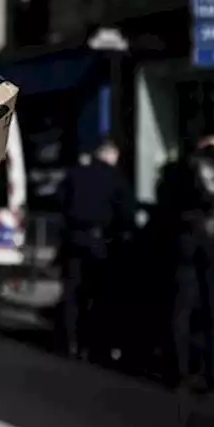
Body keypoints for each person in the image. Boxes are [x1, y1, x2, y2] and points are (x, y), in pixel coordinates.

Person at [159, 121, 214, 395]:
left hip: (186, 236)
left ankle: (180, 373)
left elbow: (166, 202)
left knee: (181, 308)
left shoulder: (180, 168)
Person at [57, 139, 132, 360]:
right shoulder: (117, 179)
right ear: (112, 156)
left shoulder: (76, 173)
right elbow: (126, 214)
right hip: (99, 242)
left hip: (74, 238)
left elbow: (60, 200)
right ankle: (89, 344)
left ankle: (69, 341)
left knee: (71, 292)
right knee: (96, 294)